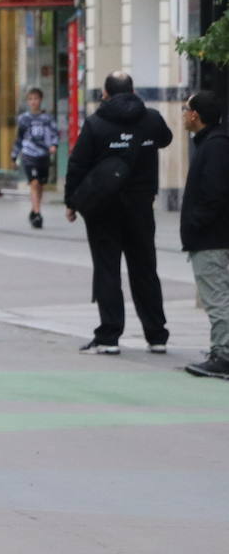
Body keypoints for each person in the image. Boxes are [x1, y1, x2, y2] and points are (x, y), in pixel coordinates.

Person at [63, 71, 172, 355]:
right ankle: (157, 335)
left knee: (107, 269)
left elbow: (77, 164)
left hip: (103, 209)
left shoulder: (96, 124)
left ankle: (109, 336)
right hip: (141, 207)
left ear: (105, 94)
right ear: (133, 90)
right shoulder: (152, 119)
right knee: (145, 268)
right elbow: (166, 139)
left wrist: (71, 202)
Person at [180, 92, 229, 379]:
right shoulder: (212, 144)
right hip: (212, 235)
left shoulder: (215, 147)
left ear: (195, 115)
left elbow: (215, 194)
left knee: (217, 296)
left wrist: (196, 224)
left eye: (185, 109)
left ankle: (223, 355)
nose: (183, 114)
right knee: (219, 294)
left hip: (212, 238)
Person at [12, 87, 62, 229]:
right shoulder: (23, 119)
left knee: (40, 184)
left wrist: (54, 145)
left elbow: (55, 134)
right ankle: (38, 212)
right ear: (28, 101)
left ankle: (35, 209)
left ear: (40, 100)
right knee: (33, 183)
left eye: (36, 99)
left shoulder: (47, 118)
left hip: (43, 155)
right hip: (29, 154)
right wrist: (14, 156)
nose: (33, 102)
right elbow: (19, 138)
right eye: (31, 99)